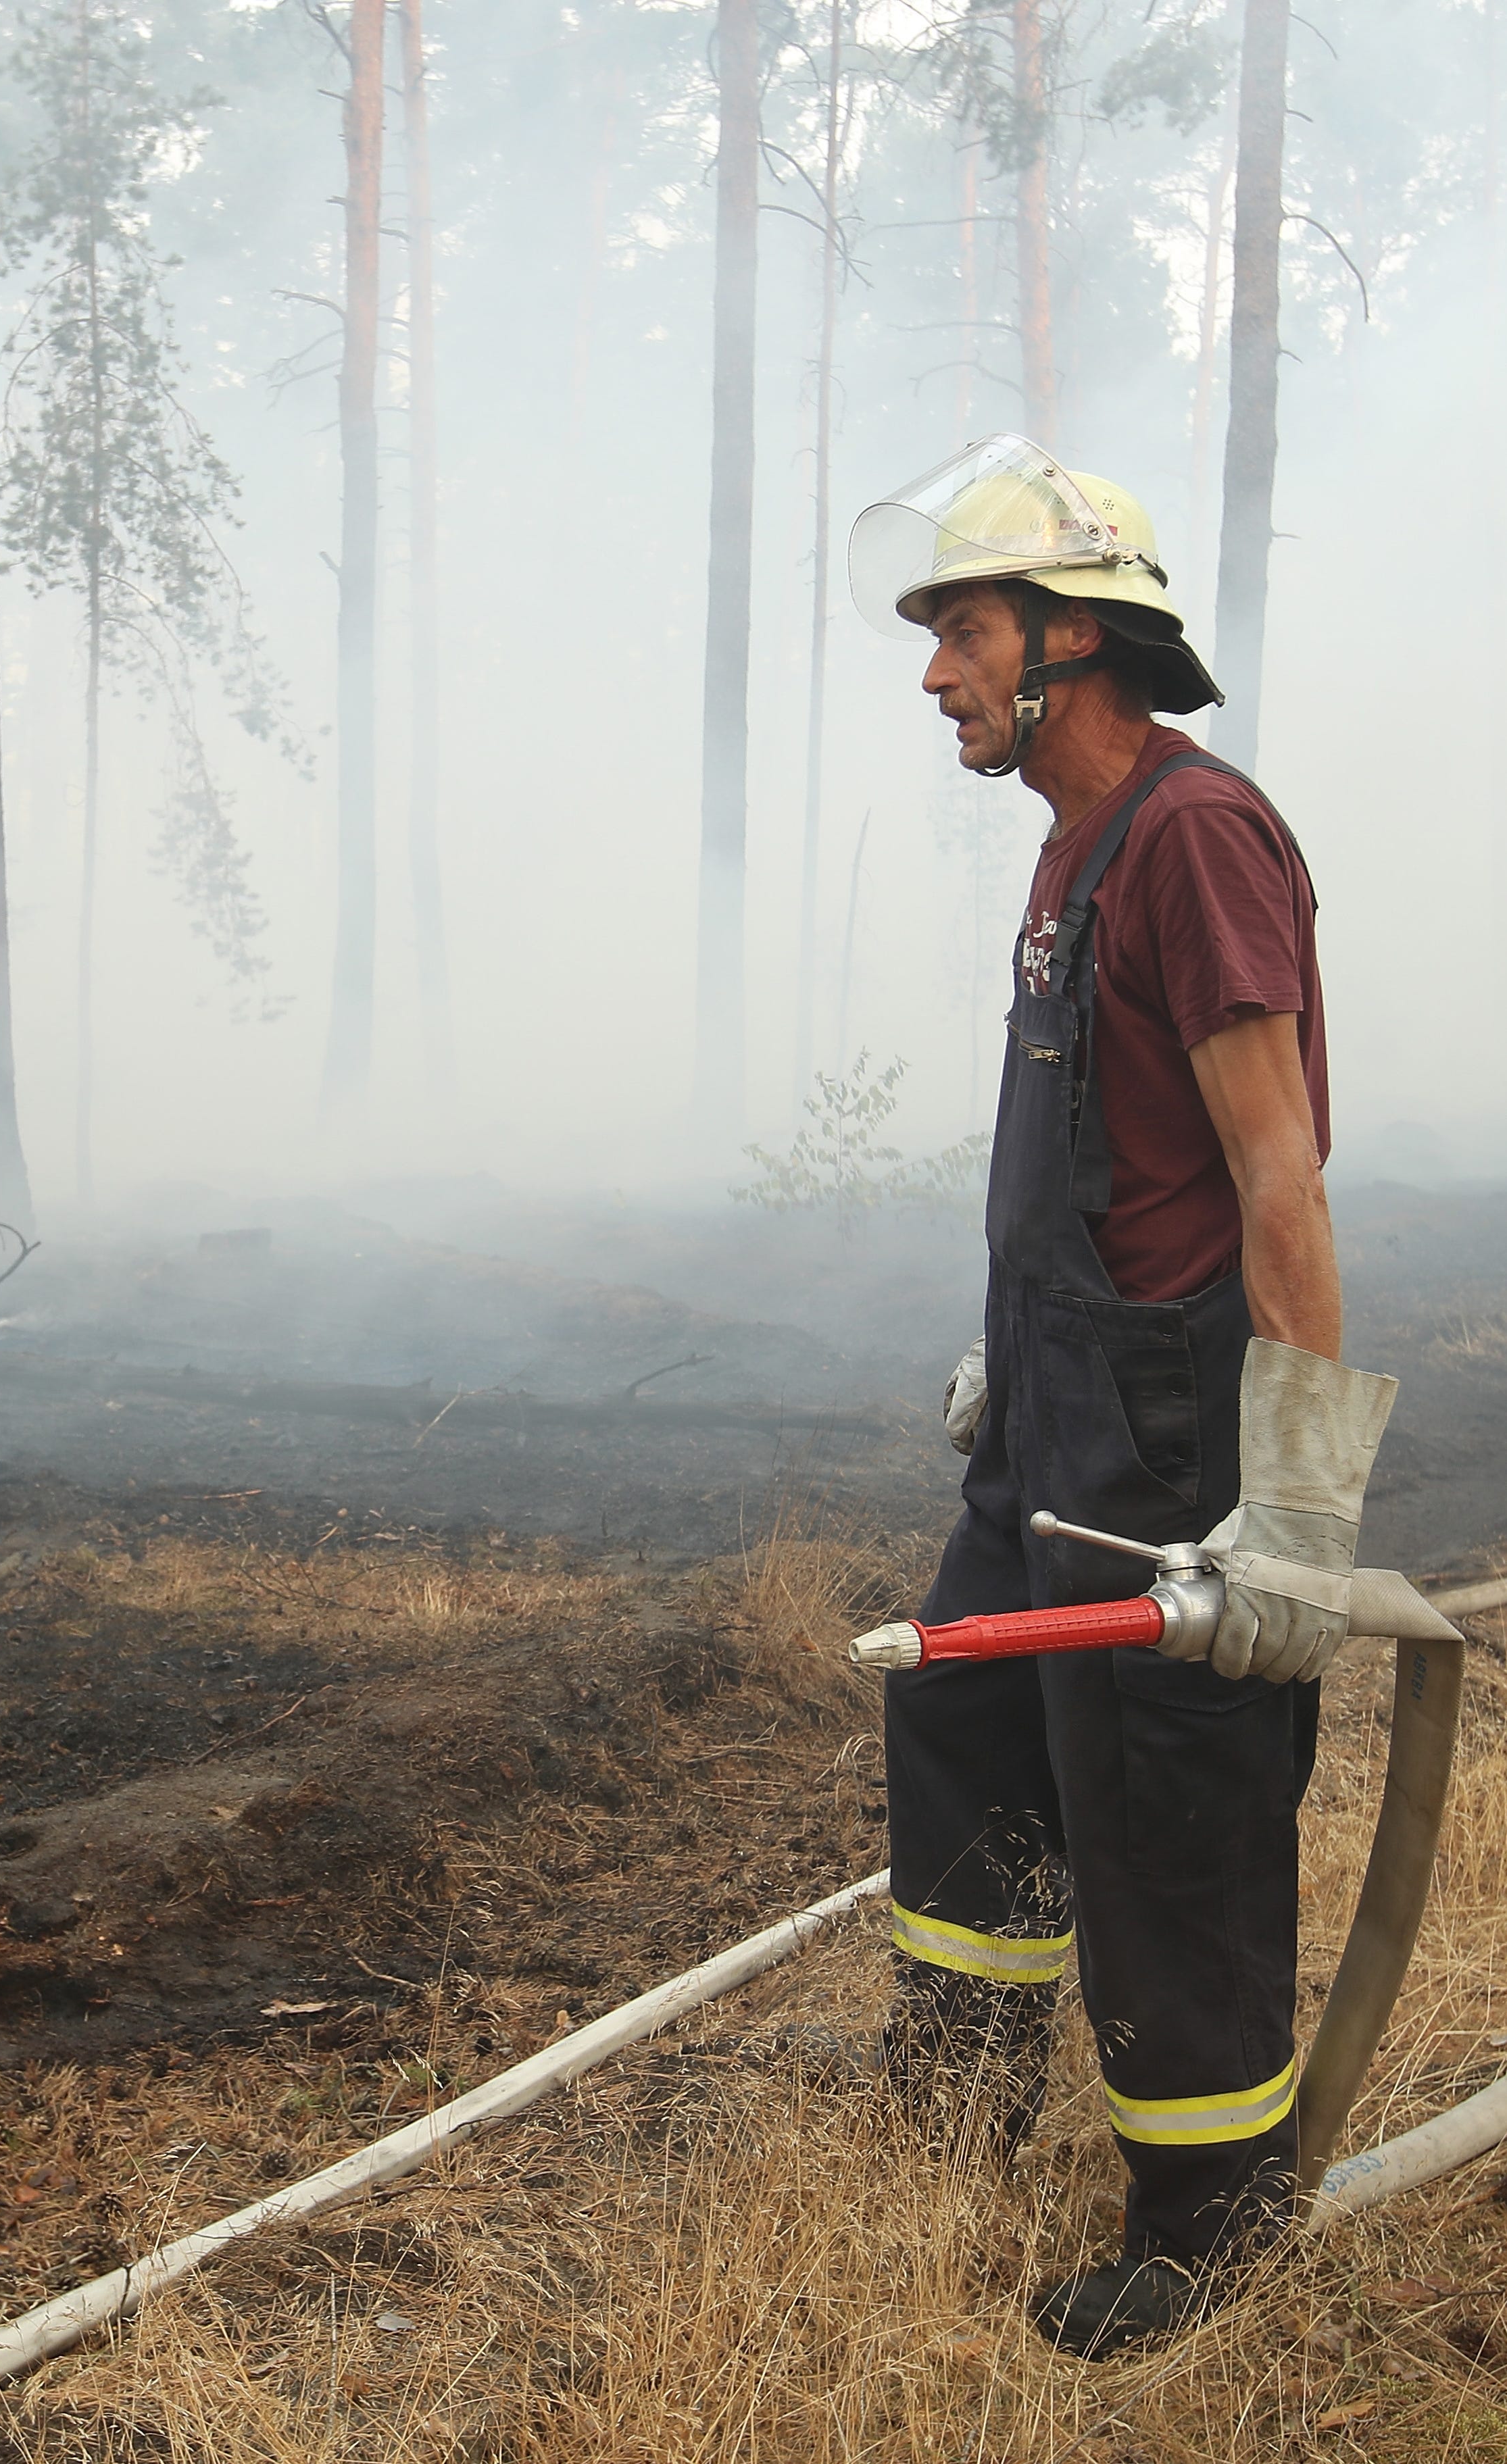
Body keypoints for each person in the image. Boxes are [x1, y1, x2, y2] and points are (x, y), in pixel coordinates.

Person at [845, 437, 1398, 2358]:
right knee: (968, 1728)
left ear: (1074, 634)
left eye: (962, 630)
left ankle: (1209, 2226)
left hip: (1168, 1434)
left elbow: (1276, 1175)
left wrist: (1300, 1519)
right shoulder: (1070, 845)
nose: (935, 675)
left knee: (1164, 1820)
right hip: (1052, 1422)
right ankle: (959, 2106)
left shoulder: (1193, 837)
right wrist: (1018, 1346)